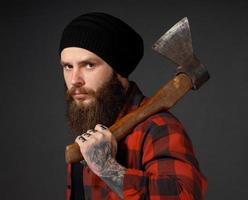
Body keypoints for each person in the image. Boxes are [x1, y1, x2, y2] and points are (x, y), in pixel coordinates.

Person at [59, 12, 207, 200]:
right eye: (68, 66)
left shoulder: (158, 128)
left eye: (89, 65)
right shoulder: (93, 120)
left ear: (119, 72)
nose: (74, 80)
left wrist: (108, 168)